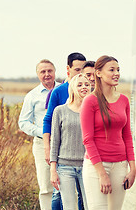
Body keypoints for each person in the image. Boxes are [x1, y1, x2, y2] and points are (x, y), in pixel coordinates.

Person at [80, 55, 135, 210]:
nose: (116, 73)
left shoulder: (124, 100)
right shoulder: (90, 101)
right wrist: (102, 174)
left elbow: (127, 136)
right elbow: (87, 140)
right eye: (111, 70)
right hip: (96, 166)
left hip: (120, 165)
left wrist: (133, 168)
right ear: (98, 73)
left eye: (118, 70)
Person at [43, 52, 86, 210]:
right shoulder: (58, 92)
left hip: (84, 160)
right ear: (68, 69)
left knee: (84, 197)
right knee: (58, 194)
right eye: (77, 70)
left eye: (83, 70)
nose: (80, 74)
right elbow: (48, 121)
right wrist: (47, 150)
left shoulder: (87, 93)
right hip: (63, 156)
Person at [18, 59, 58, 210]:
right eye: (43, 71)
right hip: (42, 144)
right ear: (37, 75)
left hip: (65, 143)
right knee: (46, 187)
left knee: (68, 184)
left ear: (55, 72)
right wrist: (43, 132)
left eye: (50, 71)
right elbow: (23, 122)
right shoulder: (32, 96)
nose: (47, 74)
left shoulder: (64, 90)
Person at [50, 73, 90, 210]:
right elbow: (55, 141)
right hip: (65, 167)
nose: (84, 87)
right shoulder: (60, 111)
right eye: (79, 85)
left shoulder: (93, 111)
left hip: (87, 166)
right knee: (69, 207)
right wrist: (53, 170)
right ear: (72, 88)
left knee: (89, 205)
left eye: (87, 84)